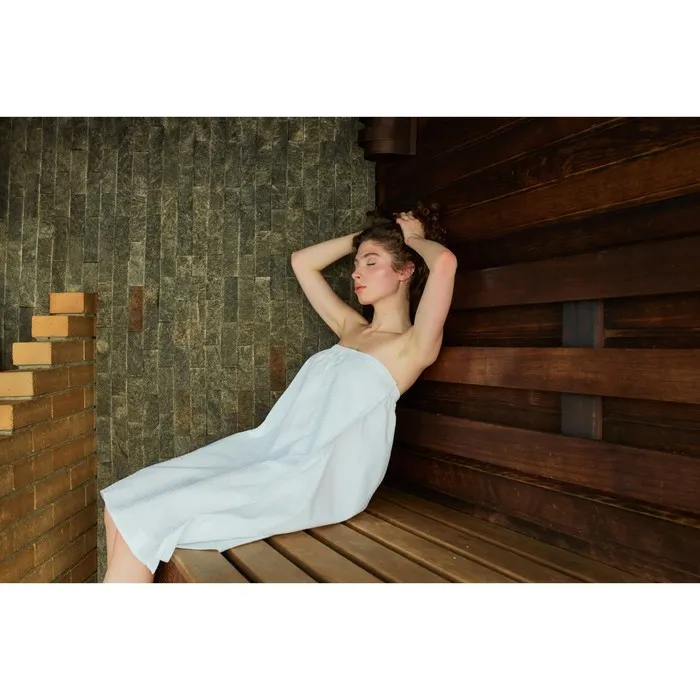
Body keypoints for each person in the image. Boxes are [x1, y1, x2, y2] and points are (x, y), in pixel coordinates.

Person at [100, 204, 457, 582]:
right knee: (123, 502)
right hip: (266, 452)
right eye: (357, 264)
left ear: (405, 270)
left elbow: (445, 263)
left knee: (147, 518)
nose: (356, 272)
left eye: (371, 263)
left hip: (308, 475)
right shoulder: (351, 328)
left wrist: (412, 238)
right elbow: (302, 262)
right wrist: (365, 238)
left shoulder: (411, 348)